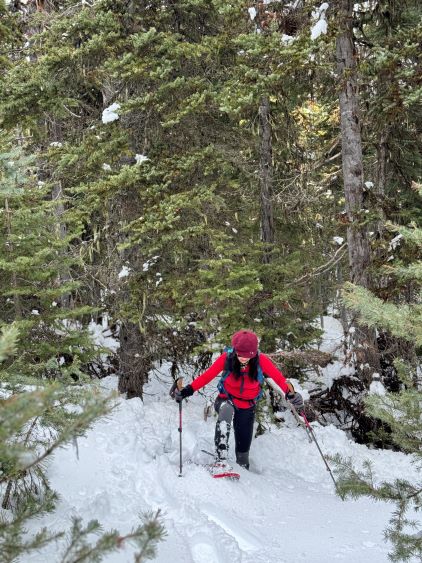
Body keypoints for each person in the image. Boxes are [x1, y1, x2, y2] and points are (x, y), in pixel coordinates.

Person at [170, 329, 304, 470]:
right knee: (226, 409)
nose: (244, 358)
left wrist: (291, 394)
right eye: (240, 355)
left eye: (248, 355)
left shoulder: (261, 360)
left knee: (243, 449)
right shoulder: (227, 358)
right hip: (226, 399)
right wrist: (188, 390)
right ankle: (221, 458)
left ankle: (243, 470)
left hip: (247, 405)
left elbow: (279, 379)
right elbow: (206, 376)